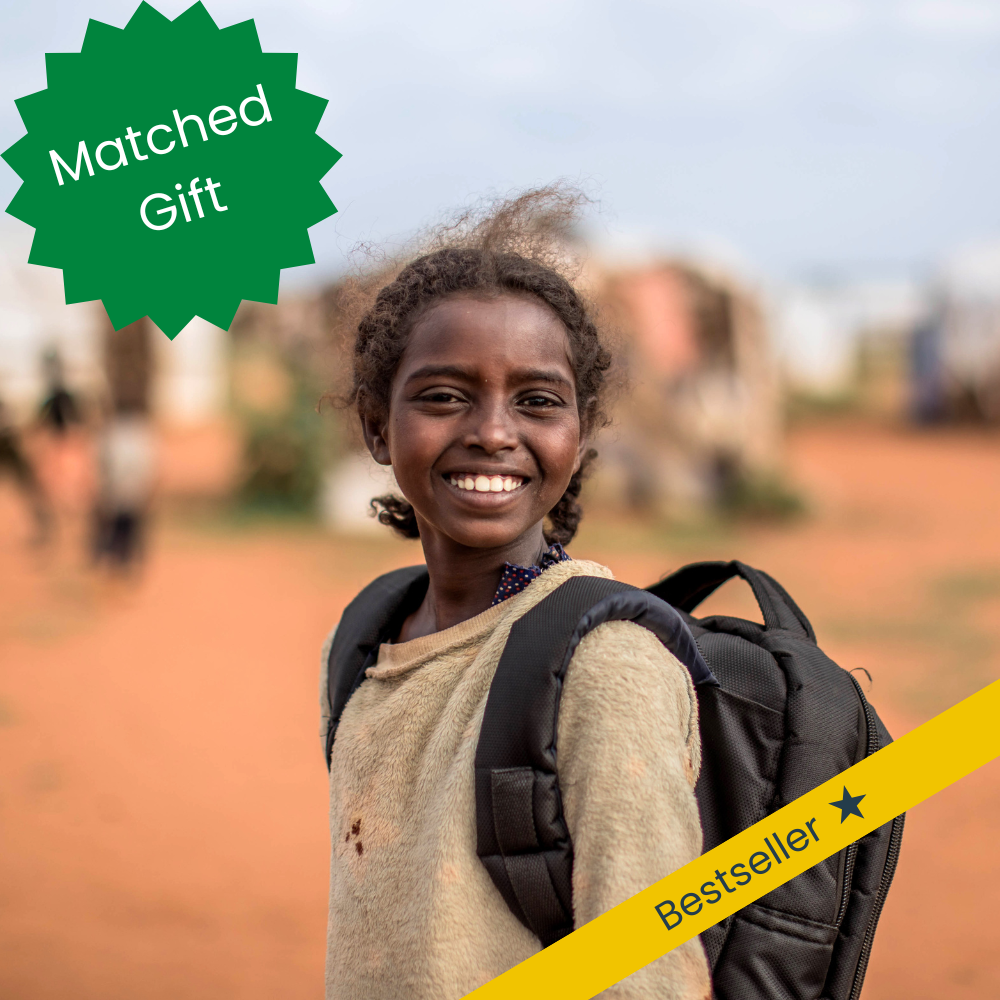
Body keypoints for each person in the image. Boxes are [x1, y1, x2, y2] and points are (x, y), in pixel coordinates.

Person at [320, 189, 711, 999]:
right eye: (443, 395)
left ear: (580, 429)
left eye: (537, 400)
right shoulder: (366, 640)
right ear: (374, 423)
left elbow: (648, 975)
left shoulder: (606, 668)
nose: (494, 431)